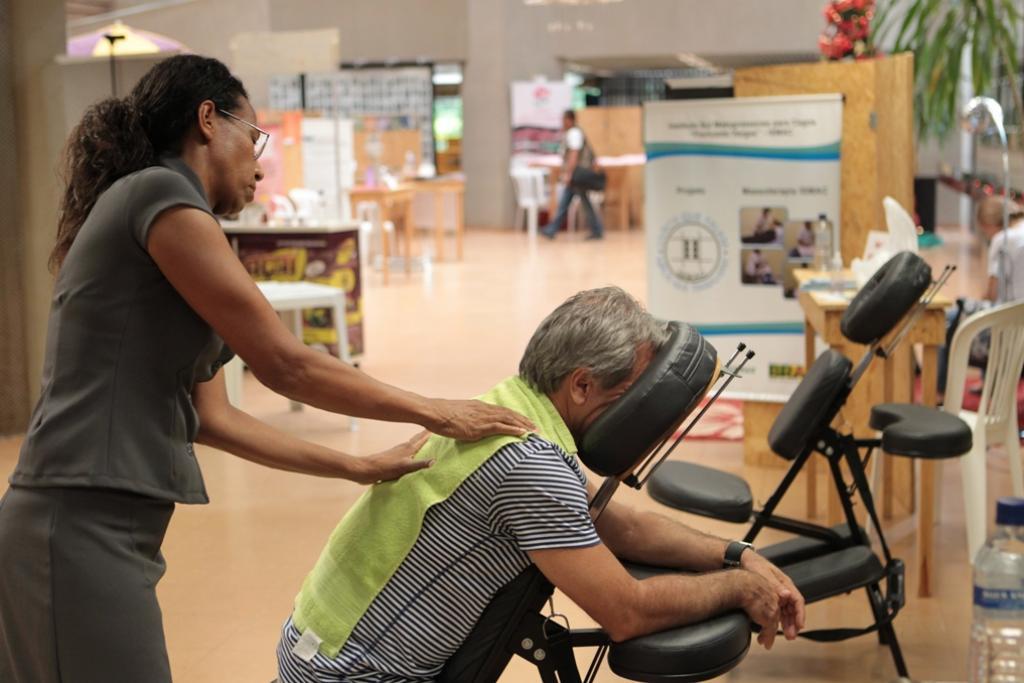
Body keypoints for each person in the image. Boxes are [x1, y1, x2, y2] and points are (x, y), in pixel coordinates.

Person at [0, 55, 533, 683]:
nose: (261, 163)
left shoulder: (169, 221)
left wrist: (357, 466)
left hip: (98, 528)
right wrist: (438, 409)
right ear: (207, 120)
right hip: (76, 525)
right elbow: (285, 363)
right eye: (254, 136)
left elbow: (215, 417)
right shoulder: (160, 192)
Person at [277, 287, 805, 682]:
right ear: (581, 384)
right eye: (636, 393)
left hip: (317, 644)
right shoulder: (529, 465)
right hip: (353, 672)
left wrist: (739, 555)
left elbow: (619, 522)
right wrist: (737, 588)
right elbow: (627, 612)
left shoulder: (509, 409)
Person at [937, 196, 1024, 393]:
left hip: (1013, 320)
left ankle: (941, 391)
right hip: (1018, 314)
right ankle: (989, 382)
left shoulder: (1002, 239)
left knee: (949, 320)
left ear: (987, 224)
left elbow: (992, 294)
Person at [540, 110, 604, 241]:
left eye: (563, 120)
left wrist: (569, 174)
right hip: (577, 175)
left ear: (569, 120)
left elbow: (574, 155)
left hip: (578, 175)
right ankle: (553, 228)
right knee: (574, 201)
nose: (562, 123)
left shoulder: (574, 133)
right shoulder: (573, 132)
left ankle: (553, 229)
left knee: (572, 202)